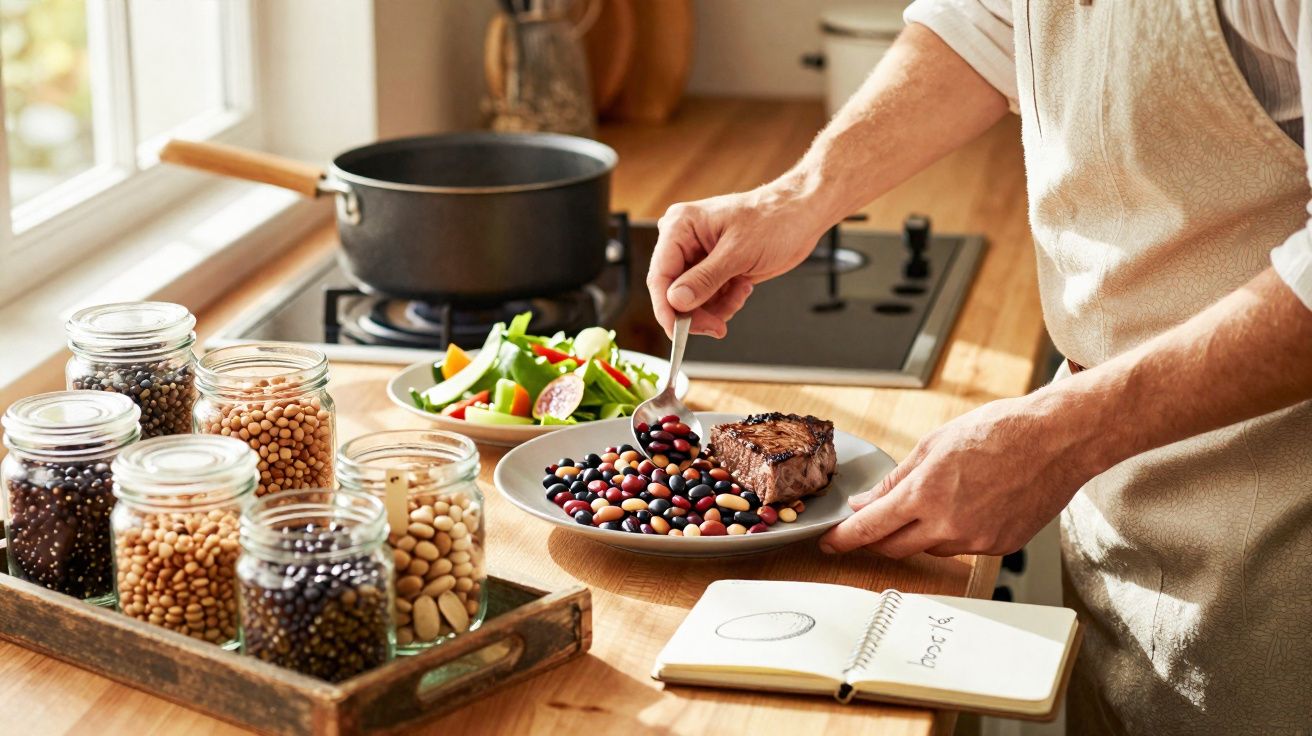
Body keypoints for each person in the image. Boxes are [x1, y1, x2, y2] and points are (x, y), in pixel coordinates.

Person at [646, 2, 1312, 733]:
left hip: (1278, 541)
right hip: (1117, 508)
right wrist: (795, 198)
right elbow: (987, 23)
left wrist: (1066, 433)